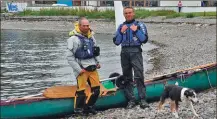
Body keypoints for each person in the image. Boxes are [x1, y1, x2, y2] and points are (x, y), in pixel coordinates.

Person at [113, 7, 149, 109]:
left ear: (133, 13)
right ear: (124, 15)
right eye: (126, 13)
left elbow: (144, 39)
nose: (128, 14)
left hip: (136, 51)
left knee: (139, 75)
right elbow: (116, 42)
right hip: (124, 52)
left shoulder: (140, 25)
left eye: (130, 13)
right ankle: (131, 100)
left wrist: (136, 30)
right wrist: (121, 32)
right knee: (127, 77)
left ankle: (142, 99)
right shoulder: (121, 26)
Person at [66, 17, 101, 115]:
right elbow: (69, 57)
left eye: (87, 26)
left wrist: (98, 62)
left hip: (92, 67)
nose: (86, 27)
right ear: (79, 26)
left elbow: (95, 52)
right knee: (81, 91)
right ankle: (78, 110)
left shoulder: (91, 37)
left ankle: (89, 107)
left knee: (97, 90)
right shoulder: (73, 39)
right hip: (82, 69)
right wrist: (78, 69)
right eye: (84, 26)